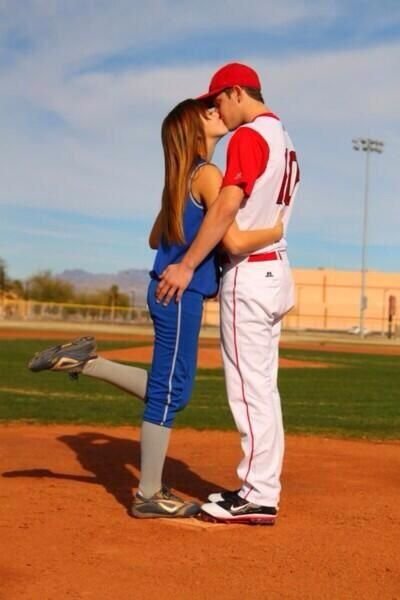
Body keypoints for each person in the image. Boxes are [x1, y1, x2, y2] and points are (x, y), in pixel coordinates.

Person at [28, 97, 284, 520]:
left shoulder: (180, 179)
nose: (216, 110)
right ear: (193, 128)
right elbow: (234, 240)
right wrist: (275, 229)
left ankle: (87, 362)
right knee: (170, 393)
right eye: (207, 111)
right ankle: (148, 493)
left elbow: (154, 239)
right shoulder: (208, 175)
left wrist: (185, 239)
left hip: (164, 290)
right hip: (178, 295)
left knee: (174, 389)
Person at [155, 63, 300, 525]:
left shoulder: (249, 136)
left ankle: (257, 495)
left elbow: (229, 207)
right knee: (265, 390)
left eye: (218, 99)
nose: (215, 108)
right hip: (277, 268)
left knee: (249, 390)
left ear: (237, 92)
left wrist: (189, 263)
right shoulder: (285, 139)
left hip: (251, 275)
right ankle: (263, 486)